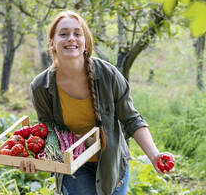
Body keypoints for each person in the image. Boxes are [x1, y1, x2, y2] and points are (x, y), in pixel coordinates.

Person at [20, 10, 174, 195]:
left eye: (77, 34)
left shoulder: (108, 75)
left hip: (112, 162)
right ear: (51, 43)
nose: (71, 38)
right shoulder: (41, 87)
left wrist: (154, 155)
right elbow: (48, 131)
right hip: (73, 165)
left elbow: (132, 119)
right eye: (63, 34)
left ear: (85, 42)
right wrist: (32, 159)